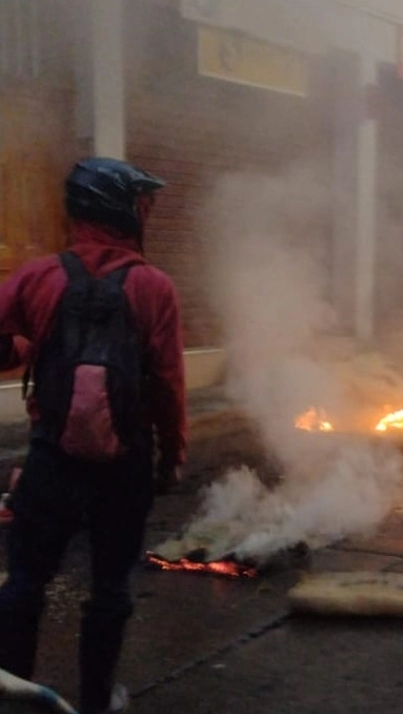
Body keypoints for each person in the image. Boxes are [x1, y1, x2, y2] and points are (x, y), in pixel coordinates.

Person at [0, 158, 187, 713]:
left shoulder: (38, 276)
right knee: (110, 588)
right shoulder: (154, 286)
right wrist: (170, 458)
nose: (145, 214)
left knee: (26, 581)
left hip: (51, 457)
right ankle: (98, 700)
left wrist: (29, 346)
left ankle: (15, 694)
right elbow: (168, 384)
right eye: (140, 204)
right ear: (118, 209)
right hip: (125, 462)